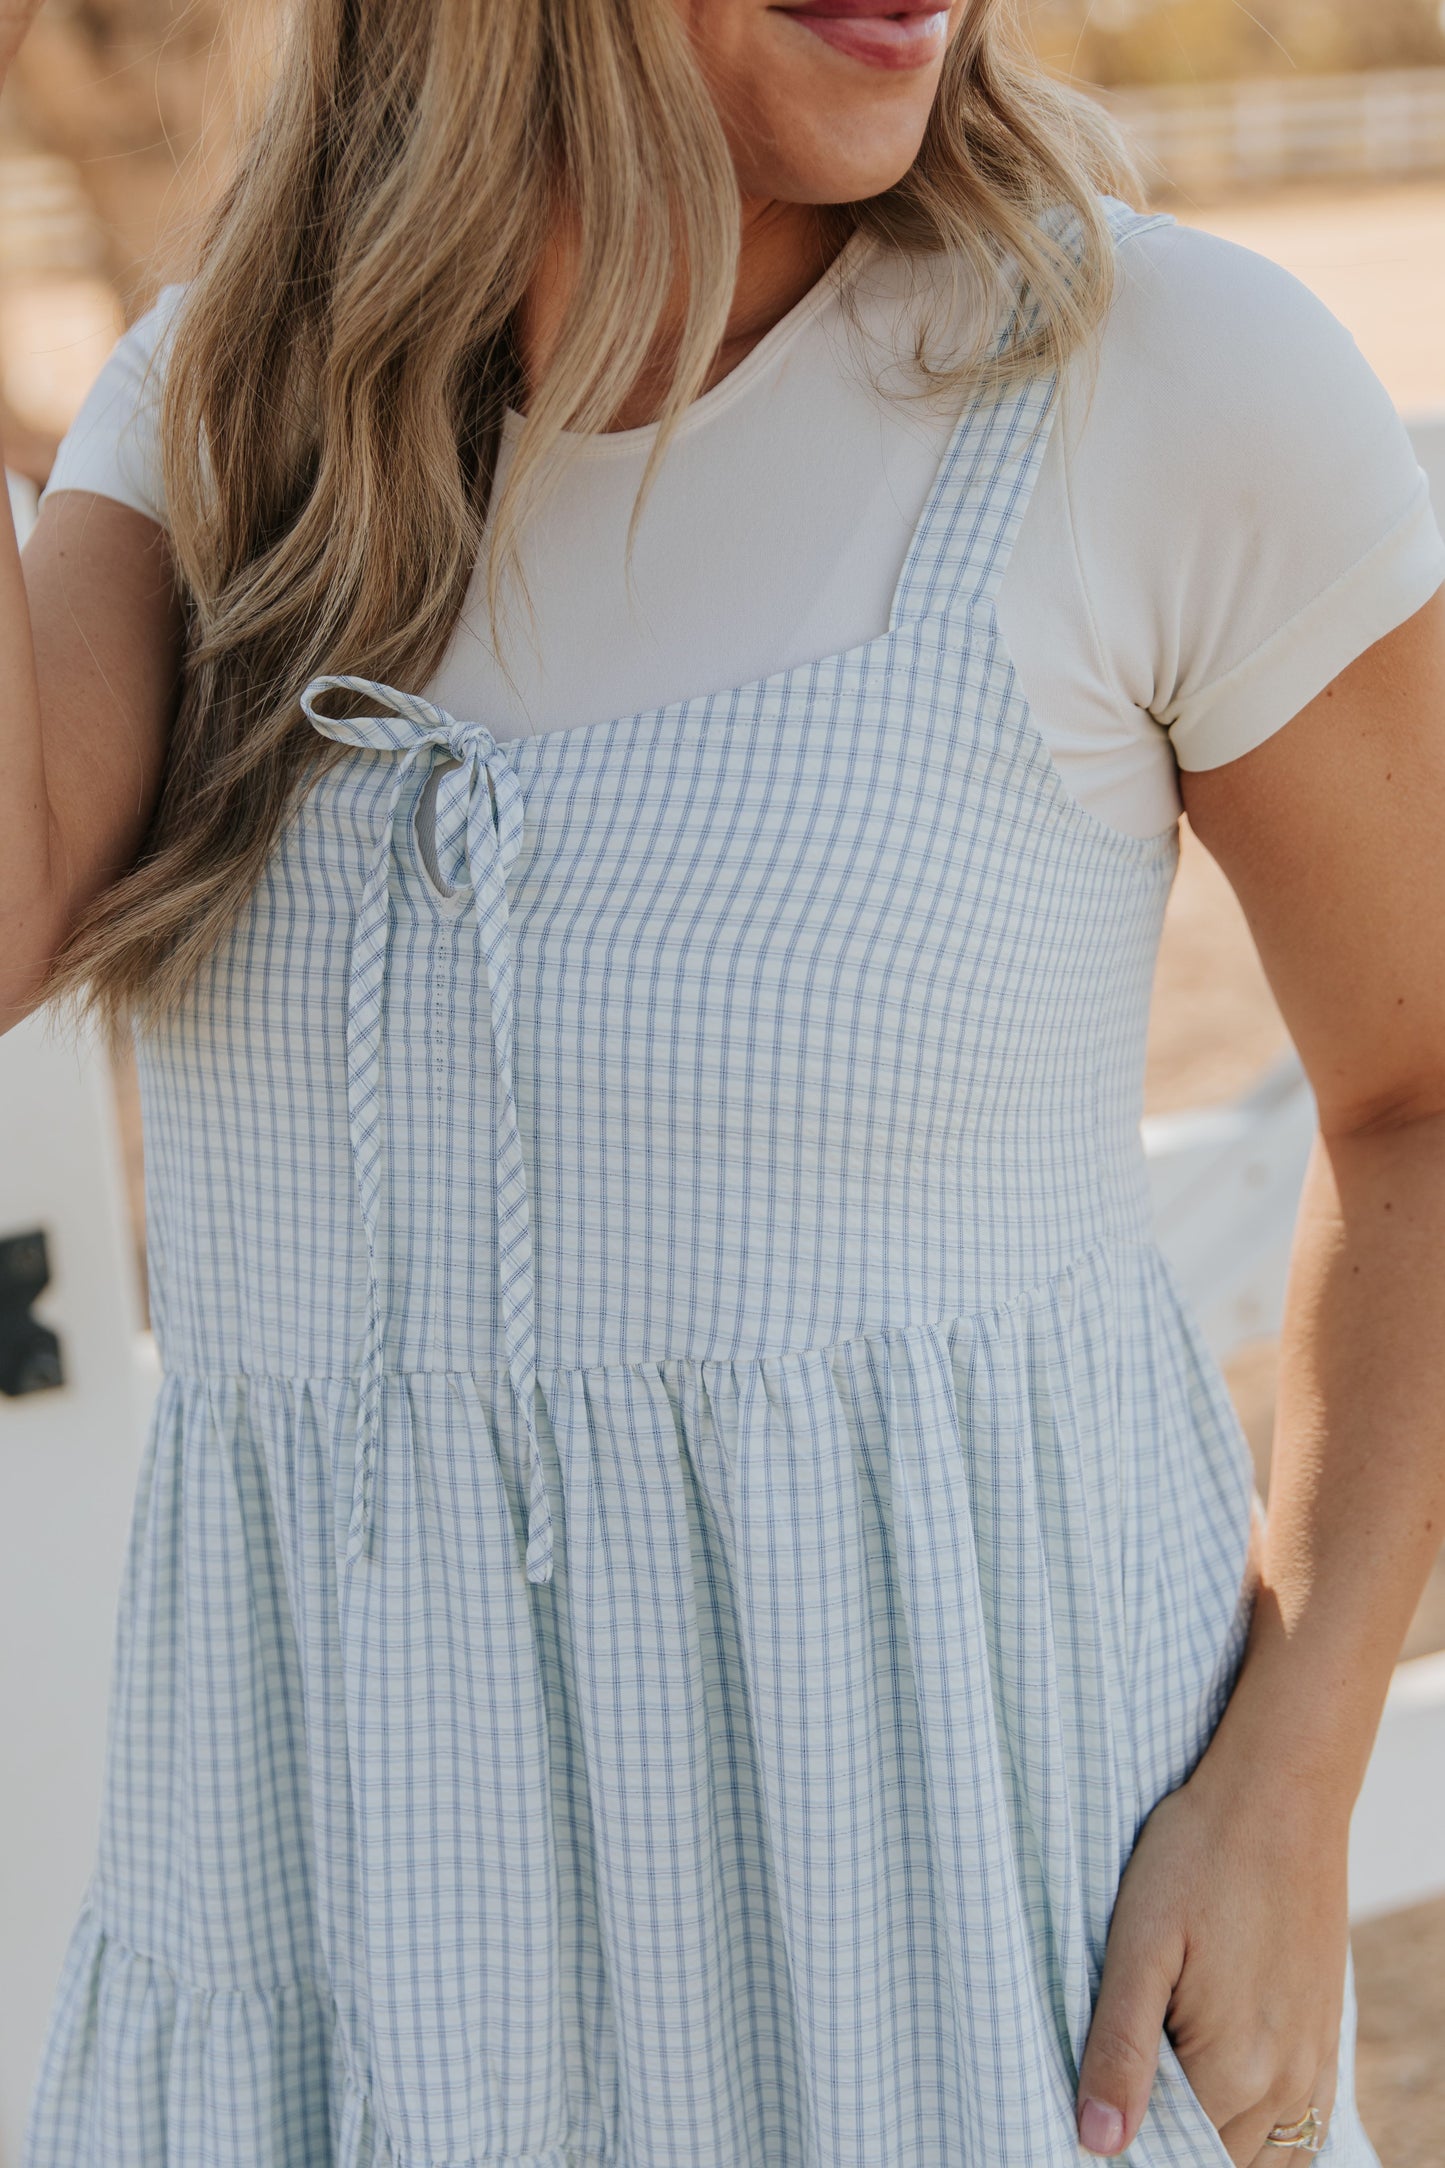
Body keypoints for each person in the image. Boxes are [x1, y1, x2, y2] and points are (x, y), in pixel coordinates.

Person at [4, 0, 1444, 2162]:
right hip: (335, 1993)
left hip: (971, 1990)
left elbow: (1425, 1100)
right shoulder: (213, 426)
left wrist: (1297, 1770)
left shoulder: (1160, 384)